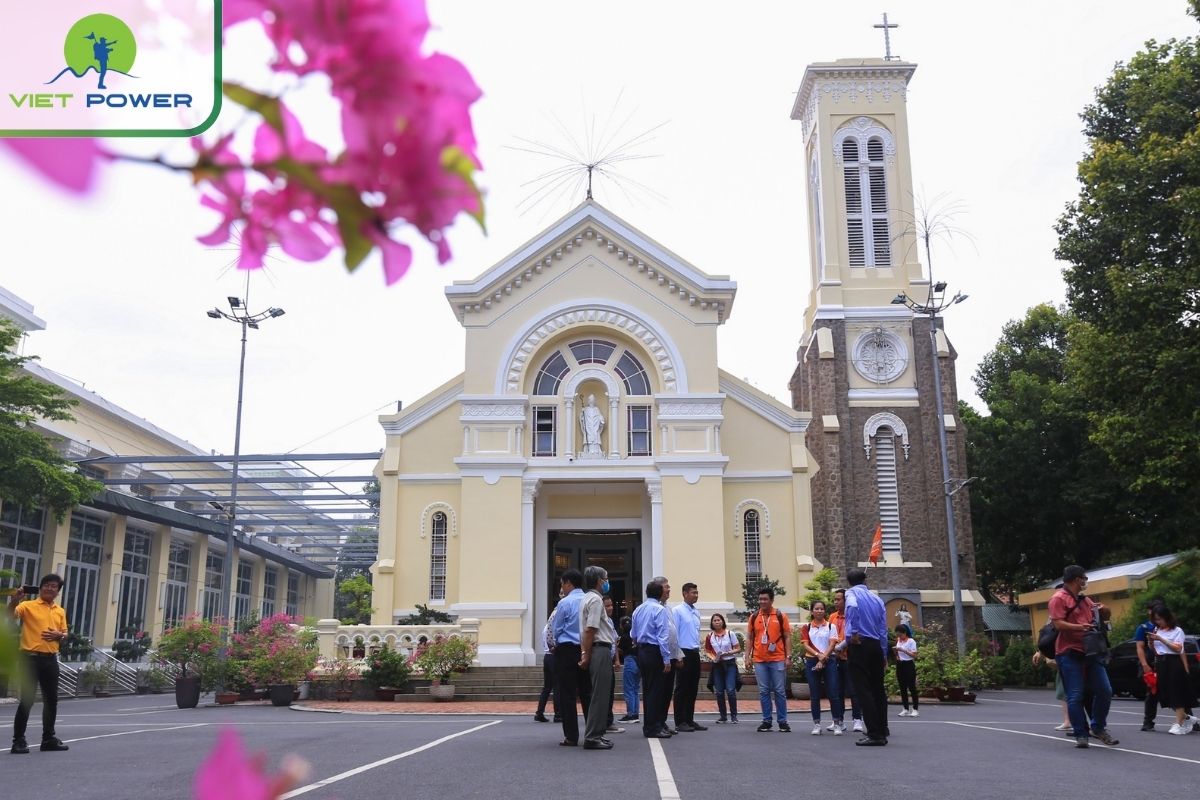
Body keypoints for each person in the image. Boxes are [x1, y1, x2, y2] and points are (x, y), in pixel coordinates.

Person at [1048, 565, 1118, 748]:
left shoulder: (1085, 600)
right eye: (1084, 578)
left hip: (1091, 651)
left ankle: (1097, 726)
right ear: (1076, 579)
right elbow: (1057, 624)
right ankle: (1081, 733)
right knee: (1075, 695)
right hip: (1068, 652)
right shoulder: (1058, 598)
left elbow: (1103, 619)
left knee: (1105, 690)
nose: (1086, 581)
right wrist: (1080, 627)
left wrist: (1105, 610)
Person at [9, 574, 70, 754]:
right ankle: (18, 741)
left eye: (54, 587)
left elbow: (65, 634)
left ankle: (48, 738)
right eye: (47, 585)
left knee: (51, 701)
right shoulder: (28, 606)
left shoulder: (60, 610)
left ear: (58, 592)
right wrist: (14, 601)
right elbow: (10, 615)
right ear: (41, 587)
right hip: (30, 659)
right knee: (27, 700)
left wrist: (60, 635)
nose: (50, 589)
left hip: (51, 659)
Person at [844, 568, 889, 746]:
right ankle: (882, 728)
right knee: (878, 689)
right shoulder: (876, 599)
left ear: (849, 581)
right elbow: (883, 629)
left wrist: (854, 631)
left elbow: (853, 607)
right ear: (865, 580)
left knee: (863, 689)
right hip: (876, 645)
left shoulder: (851, 594)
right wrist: (884, 652)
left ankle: (874, 733)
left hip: (860, 644)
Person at [551, 569, 591, 747]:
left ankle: (571, 736)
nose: (562, 587)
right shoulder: (590, 600)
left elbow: (557, 628)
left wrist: (554, 644)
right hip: (587, 648)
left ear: (568, 583)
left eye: (562, 584)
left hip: (567, 650)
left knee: (567, 694)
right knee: (587, 692)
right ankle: (593, 733)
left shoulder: (565, 603)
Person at [1146, 605, 1199, 735]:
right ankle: (1187, 718)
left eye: (1160, 619)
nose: (1158, 622)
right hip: (1161, 662)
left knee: (1176, 691)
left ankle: (1179, 723)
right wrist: (1151, 642)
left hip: (1174, 662)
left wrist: (1161, 639)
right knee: (1166, 692)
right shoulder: (1157, 630)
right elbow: (1156, 650)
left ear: (1167, 617)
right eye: (1156, 620)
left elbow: (1177, 648)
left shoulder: (1177, 631)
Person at [579, 566, 615, 750]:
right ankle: (593, 736)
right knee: (600, 696)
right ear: (600, 581)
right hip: (599, 648)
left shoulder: (588, 598)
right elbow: (591, 629)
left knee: (600, 694)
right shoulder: (595, 600)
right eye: (606, 578)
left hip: (598, 648)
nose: (607, 582)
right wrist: (586, 654)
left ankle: (598, 733)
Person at [631, 579, 673, 738]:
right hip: (655, 651)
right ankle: (654, 727)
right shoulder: (659, 609)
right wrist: (666, 659)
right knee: (656, 690)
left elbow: (633, 634)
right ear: (660, 593)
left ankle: (648, 726)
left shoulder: (638, 609)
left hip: (642, 650)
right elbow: (662, 636)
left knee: (647, 690)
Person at [745, 586, 790, 732]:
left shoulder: (780, 616)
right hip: (759, 659)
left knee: (779, 690)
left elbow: (787, 637)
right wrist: (747, 657)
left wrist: (788, 656)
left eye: (765, 599)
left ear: (771, 600)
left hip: (777, 658)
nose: (762, 602)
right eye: (760, 599)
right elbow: (750, 638)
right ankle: (766, 720)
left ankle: (782, 721)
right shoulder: (754, 617)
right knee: (763, 691)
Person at [801, 599, 843, 734]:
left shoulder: (831, 626)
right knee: (814, 694)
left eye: (821, 609)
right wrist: (818, 656)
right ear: (812, 611)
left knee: (833, 693)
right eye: (816, 609)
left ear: (825, 611)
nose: (819, 611)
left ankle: (837, 723)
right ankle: (817, 724)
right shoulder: (807, 627)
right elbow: (806, 644)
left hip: (829, 660)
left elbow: (832, 644)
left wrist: (823, 657)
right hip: (812, 661)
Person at [672, 582, 706, 732]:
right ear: (685, 594)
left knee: (693, 687)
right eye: (693, 593)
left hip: (694, 652)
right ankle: (680, 721)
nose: (696, 595)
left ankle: (689, 719)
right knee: (682, 687)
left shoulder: (696, 612)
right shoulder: (677, 611)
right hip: (683, 652)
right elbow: (674, 634)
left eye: (697, 593)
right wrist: (677, 655)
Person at [829, 588, 863, 733]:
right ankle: (839, 720)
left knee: (853, 690)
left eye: (838, 599)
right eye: (834, 599)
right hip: (835, 658)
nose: (835, 602)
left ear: (846, 600)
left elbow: (856, 635)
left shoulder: (852, 615)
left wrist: (842, 645)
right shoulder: (832, 617)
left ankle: (857, 719)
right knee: (837, 690)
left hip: (850, 657)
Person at [703, 613, 741, 723]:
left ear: (723, 621)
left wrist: (728, 652)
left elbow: (738, 648)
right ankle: (723, 716)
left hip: (729, 663)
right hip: (717, 664)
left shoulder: (730, 634)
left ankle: (734, 716)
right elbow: (707, 651)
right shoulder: (710, 636)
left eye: (719, 620)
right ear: (712, 623)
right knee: (719, 691)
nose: (717, 622)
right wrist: (713, 657)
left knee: (730, 690)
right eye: (714, 620)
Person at [535, 590, 564, 723]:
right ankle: (558, 713)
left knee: (547, 686)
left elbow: (545, 638)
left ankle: (539, 712)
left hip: (547, 655)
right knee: (557, 685)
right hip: (553, 654)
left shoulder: (547, 624)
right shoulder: (557, 616)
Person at [1134, 599, 1163, 731]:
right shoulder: (1144, 628)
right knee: (1152, 693)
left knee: (1176, 690)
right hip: (1151, 663)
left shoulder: (1167, 626)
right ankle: (1148, 722)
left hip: (1166, 662)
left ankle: (1188, 719)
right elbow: (1140, 647)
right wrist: (1145, 664)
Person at [1031, 650, 1072, 730]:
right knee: (1063, 691)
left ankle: (1071, 722)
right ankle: (1068, 721)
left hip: (1069, 656)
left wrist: (1040, 651)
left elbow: (1050, 638)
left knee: (1068, 691)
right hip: (1068, 656)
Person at [603, 595, 623, 735]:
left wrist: (617, 660)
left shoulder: (610, 621)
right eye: (607, 606)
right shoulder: (600, 621)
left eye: (611, 605)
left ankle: (608, 721)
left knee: (610, 692)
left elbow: (614, 642)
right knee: (603, 693)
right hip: (601, 661)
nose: (610, 608)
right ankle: (604, 722)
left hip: (609, 661)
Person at [617, 616, 640, 722]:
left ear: (621, 626)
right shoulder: (636, 635)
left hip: (629, 660)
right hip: (638, 660)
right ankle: (635, 713)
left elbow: (620, 650)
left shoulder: (624, 637)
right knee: (635, 688)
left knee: (629, 688)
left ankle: (630, 714)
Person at [893, 625, 919, 717]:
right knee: (902, 687)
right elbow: (897, 653)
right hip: (900, 664)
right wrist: (896, 652)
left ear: (904, 633)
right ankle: (905, 708)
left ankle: (915, 709)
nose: (899, 637)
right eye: (898, 635)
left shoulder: (911, 641)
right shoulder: (898, 641)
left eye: (900, 635)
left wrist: (903, 650)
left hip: (909, 664)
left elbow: (914, 655)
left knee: (912, 687)